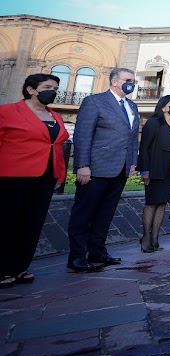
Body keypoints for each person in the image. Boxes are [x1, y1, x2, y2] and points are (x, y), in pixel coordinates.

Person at [0, 74, 69, 287]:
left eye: (56, 88)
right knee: (5, 222)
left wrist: (59, 174)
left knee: (32, 223)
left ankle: (19, 266)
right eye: (47, 86)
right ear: (31, 89)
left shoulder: (55, 116)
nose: (53, 91)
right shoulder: (7, 112)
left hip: (45, 177)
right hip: (13, 175)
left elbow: (56, 146)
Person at [68, 67, 139, 272]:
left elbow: (132, 138)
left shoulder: (131, 106)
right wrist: (82, 165)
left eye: (133, 80)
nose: (131, 84)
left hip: (120, 169)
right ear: (115, 82)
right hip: (96, 168)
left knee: (105, 214)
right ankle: (76, 256)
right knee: (84, 213)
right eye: (128, 80)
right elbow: (82, 135)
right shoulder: (95, 101)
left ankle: (97, 251)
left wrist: (132, 162)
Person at [137, 95, 170, 251]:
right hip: (156, 168)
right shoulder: (154, 123)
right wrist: (145, 170)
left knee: (162, 204)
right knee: (152, 203)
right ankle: (145, 238)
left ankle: (155, 238)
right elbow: (144, 147)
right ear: (164, 107)